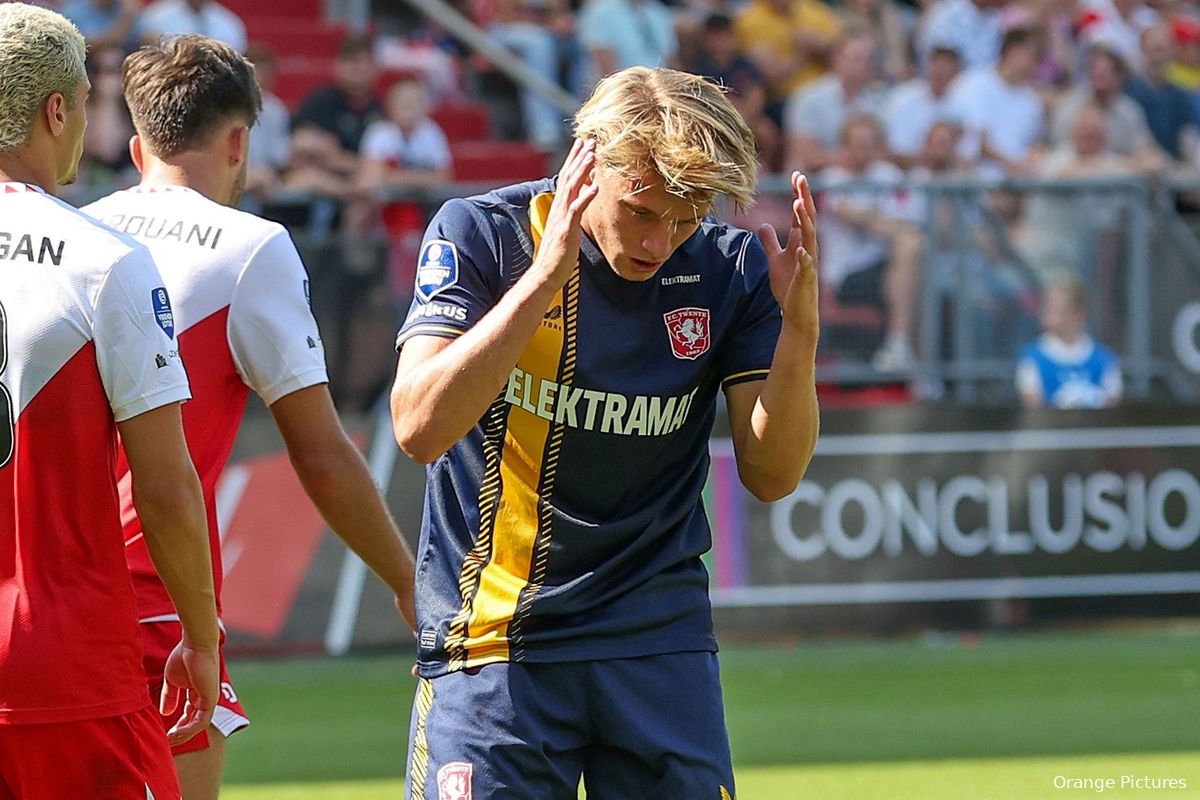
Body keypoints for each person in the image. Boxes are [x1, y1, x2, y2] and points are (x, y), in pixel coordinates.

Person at [390, 66, 819, 798]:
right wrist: (543, 279)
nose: (661, 242)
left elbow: (772, 475)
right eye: (643, 212)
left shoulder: (729, 269)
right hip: (495, 645)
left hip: (657, 640)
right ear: (585, 162)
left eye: (686, 220)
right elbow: (418, 427)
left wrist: (801, 331)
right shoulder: (483, 236)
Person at [84, 35, 418, 800]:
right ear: (239, 142)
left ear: (137, 146)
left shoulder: (80, 231)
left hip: (49, 589)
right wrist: (408, 582)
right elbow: (323, 454)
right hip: (155, 604)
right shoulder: (251, 248)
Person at [0, 5, 219, 797]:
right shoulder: (105, 260)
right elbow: (164, 485)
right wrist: (201, 636)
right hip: (62, 668)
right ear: (57, 111)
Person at [817, 115, 924, 371]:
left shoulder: (887, 174)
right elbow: (853, 216)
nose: (862, 150)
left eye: (869, 144)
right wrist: (883, 223)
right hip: (846, 275)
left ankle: (904, 351)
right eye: (856, 143)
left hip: (883, 263)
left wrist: (880, 222)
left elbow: (907, 219)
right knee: (912, 249)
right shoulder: (831, 178)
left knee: (921, 264)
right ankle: (902, 349)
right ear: (844, 146)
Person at [1016, 278, 1122, 408]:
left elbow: (1112, 406)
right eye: (1047, 308)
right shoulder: (1033, 357)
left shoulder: (1104, 358)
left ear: (1078, 314)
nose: (1048, 315)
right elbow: (1033, 408)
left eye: (1057, 310)